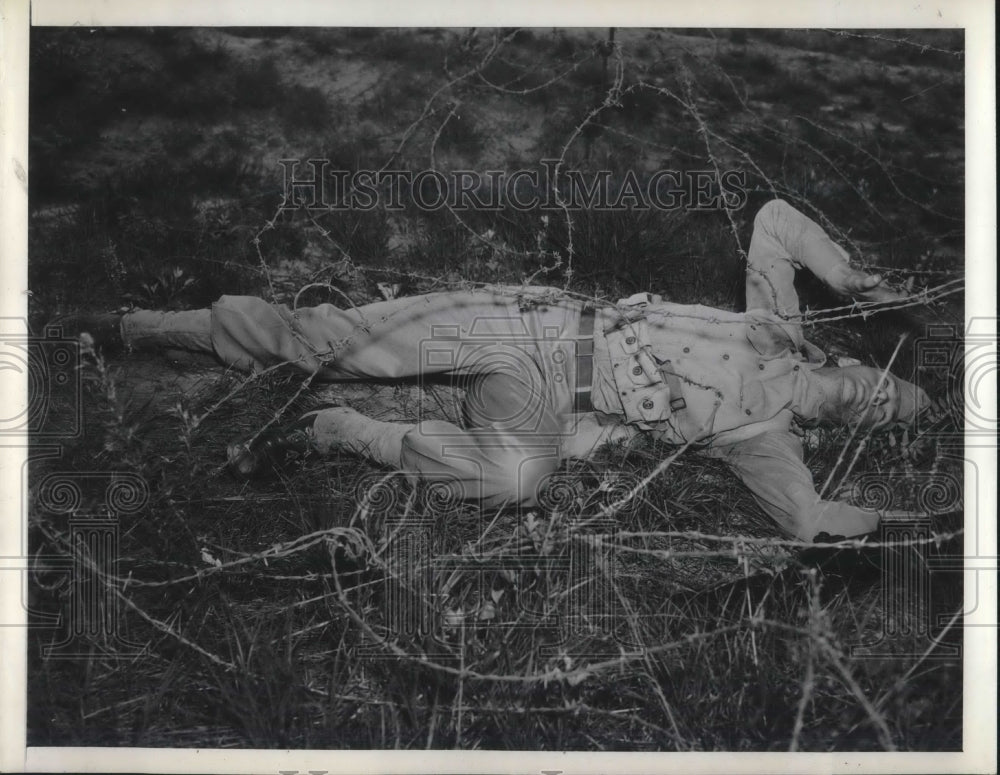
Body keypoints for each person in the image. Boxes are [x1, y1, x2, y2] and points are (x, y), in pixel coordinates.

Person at [58, 199, 930, 542]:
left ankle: (349, 432)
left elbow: (810, 518)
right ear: (847, 354)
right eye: (867, 383)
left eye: (867, 410)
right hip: (531, 323)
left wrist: (919, 526)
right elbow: (776, 220)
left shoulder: (764, 439)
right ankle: (136, 324)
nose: (852, 393)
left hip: (548, 398)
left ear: (839, 422)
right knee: (333, 338)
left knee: (518, 476)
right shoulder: (774, 316)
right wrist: (854, 278)